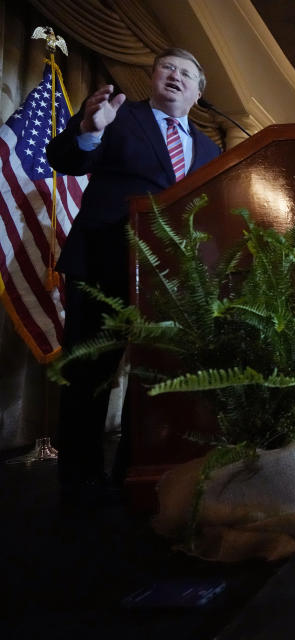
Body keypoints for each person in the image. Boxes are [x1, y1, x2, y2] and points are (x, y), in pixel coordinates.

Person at [48, 47, 221, 501]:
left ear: (199, 94)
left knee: (159, 375)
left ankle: (139, 468)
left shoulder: (211, 150)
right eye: (169, 68)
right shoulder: (118, 116)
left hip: (172, 279)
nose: (176, 77)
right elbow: (64, 158)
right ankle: (79, 479)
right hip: (104, 261)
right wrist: (88, 131)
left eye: (187, 73)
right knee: (90, 372)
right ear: (153, 75)